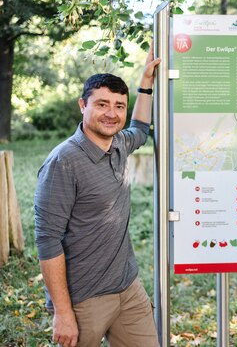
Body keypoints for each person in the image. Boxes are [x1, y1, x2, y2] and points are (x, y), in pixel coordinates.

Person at [34, 43, 161, 347]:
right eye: (102, 104)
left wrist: (145, 82)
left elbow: (141, 130)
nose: (112, 114)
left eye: (119, 105)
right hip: (83, 300)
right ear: (83, 105)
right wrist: (63, 313)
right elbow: (47, 239)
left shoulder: (119, 143)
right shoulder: (63, 162)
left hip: (128, 290)